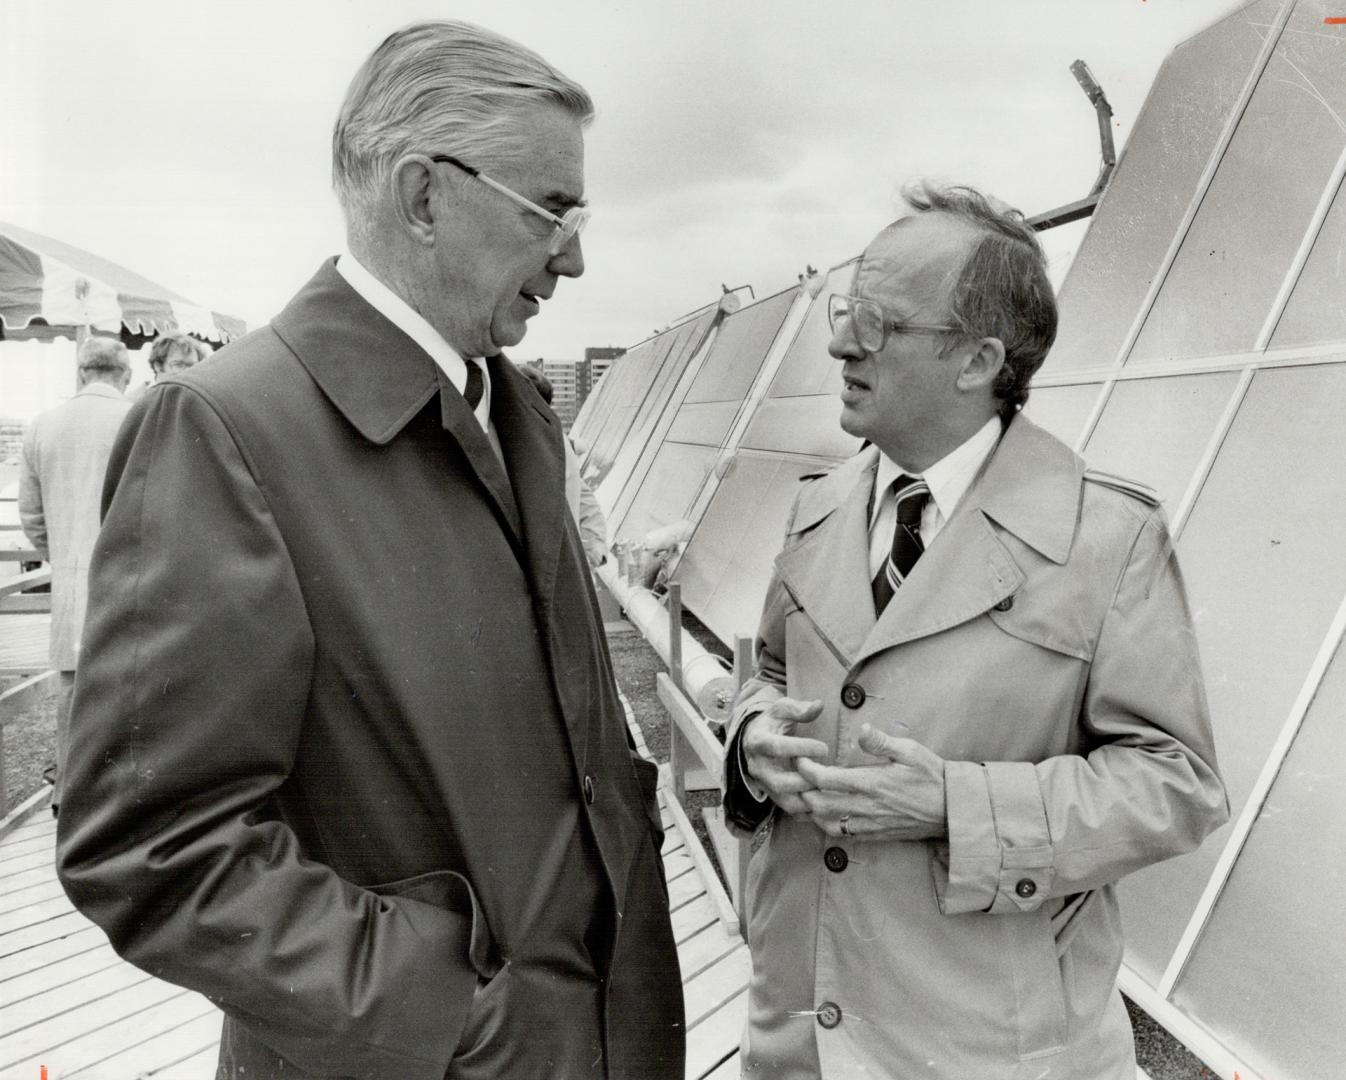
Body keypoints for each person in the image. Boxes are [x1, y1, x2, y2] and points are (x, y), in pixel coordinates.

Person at [57, 21, 679, 1080]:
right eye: (553, 209)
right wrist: (453, 1022)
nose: (574, 254)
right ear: (422, 194)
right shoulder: (223, 431)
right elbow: (150, 842)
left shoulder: (517, 414)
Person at [721, 182, 1228, 1080]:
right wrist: (751, 739)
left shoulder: (1108, 539)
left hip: (994, 1052)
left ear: (976, 360)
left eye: (879, 322)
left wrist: (960, 808)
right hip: (796, 1036)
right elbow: (763, 675)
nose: (841, 342)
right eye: (848, 311)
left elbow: (1175, 783)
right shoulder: (818, 511)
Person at [18, 336, 133, 815]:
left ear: (81, 372)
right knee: (132, 685)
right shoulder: (137, 415)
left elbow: (31, 517)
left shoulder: (42, 426)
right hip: (130, 573)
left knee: (72, 688)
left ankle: (68, 792)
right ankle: (123, 796)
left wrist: (63, 556)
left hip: (71, 582)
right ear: (124, 373)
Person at [518, 362, 611, 566]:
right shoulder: (557, 443)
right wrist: (595, 544)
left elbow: (582, 497)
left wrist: (594, 544)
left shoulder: (552, 447)